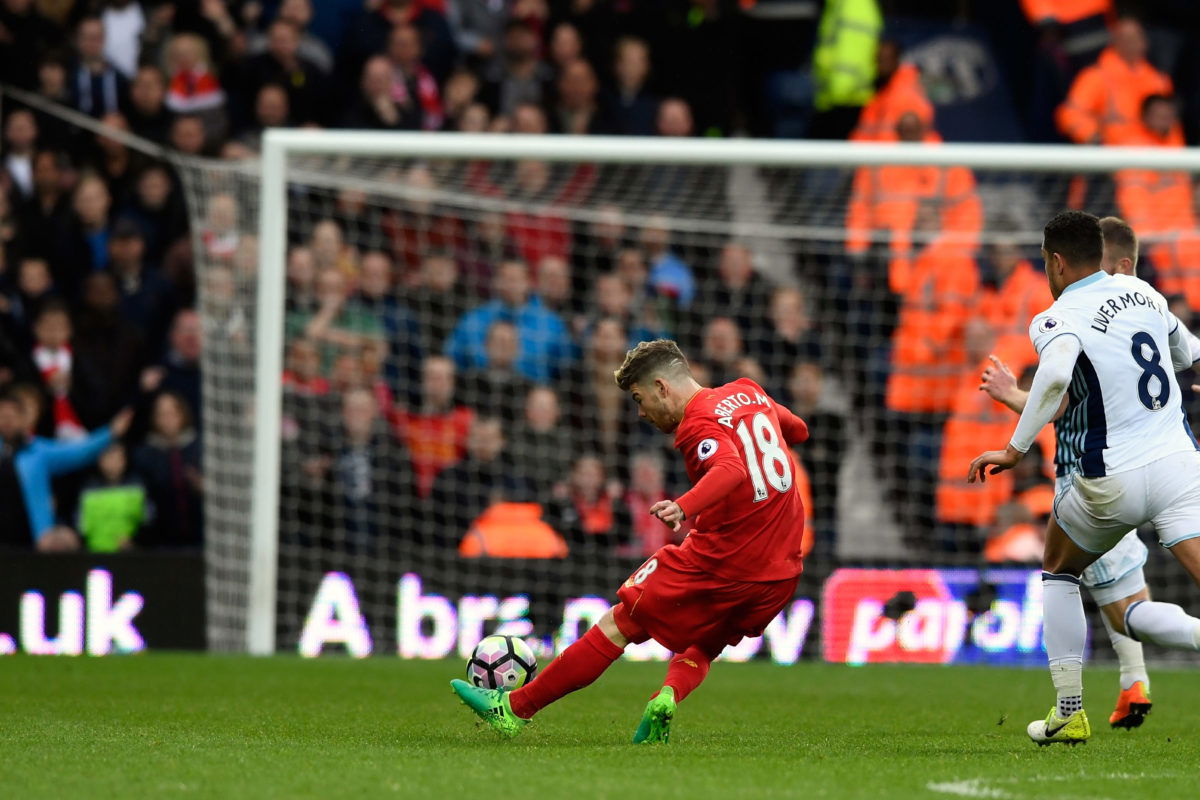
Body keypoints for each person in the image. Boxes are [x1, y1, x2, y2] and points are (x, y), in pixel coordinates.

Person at [451, 339, 811, 743]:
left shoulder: (697, 424)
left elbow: (729, 470)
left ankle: (513, 709)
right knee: (704, 643)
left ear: (662, 387)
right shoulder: (748, 391)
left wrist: (684, 506)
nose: (640, 412)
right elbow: (798, 428)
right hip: (780, 576)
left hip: (723, 561)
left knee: (621, 621)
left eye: (640, 399)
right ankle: (666, 697)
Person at [967, 211, 1200, 746]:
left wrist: (1012, 449)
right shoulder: (1144, 294)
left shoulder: (1056, 316)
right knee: (1138, 606)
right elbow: (1187, 354)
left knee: (1058, 569)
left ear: (1055, 261)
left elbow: (1053, 378)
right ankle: (1131, 680)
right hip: (1178, 469)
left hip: (1105, 481)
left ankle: (1070, 710)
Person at [0, 390, 131, 550]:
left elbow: (79, 452)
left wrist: (109, 433)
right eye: (3, 416)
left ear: (23, 419)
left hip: (31, 541)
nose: (7, 421)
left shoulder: (37, 451)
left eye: (12, 416)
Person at [76, 441, 151, 552]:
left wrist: (135, 541)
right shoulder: (87, 489)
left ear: (125, 460)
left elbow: (148, 521)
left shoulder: (137, 486)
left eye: (118, 459)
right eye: (108, 458)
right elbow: (80, 524)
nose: (113, 463)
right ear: (100, 460)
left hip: (130, 554)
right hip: (94, 554)